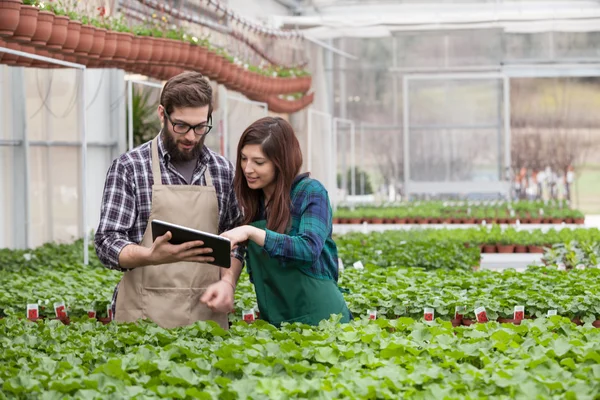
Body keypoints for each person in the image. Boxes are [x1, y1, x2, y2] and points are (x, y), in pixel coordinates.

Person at [94, 71, 244, 329]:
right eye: (181, 126)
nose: (190, 136)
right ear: (162, 114)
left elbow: (236, 240)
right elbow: (107, 242)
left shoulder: (223, 171)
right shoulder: (130, 167)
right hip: (143, 319)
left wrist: (228, 282)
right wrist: (150, 255)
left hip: (206, 316)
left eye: (200, 127)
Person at [220, 117, 351, 327]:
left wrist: (251, 232)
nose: (247, 169)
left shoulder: (310, 193)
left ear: (281, 162)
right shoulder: (254, 202)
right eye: (244, 159)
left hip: (322, 322)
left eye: (259, 162)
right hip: (275, 321)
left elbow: (309, 248)